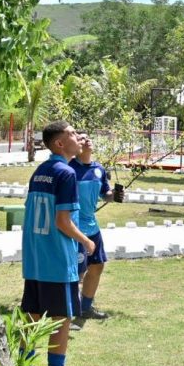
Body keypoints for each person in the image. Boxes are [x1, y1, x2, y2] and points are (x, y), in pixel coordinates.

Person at [21, 121, 97, 366]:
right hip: (57, 259)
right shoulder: (65, 174)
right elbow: (62, 221)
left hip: (36, 258)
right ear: (59, 144)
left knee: (31, 317)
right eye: (73, 134)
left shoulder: (40, 172)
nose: (79, 137)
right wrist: (86, 241)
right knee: (61, 322)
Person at [72, 132, 112, 326]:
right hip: (75, 228)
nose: (87, 140)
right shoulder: (69, 169)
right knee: (77, 272)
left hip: (92, 227)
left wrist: (116, 195)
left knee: (97, 266)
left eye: (89, 138)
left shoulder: (99, 169)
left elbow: (106, 193)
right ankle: (68, 312)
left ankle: (85, 307)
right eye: (82, 138)